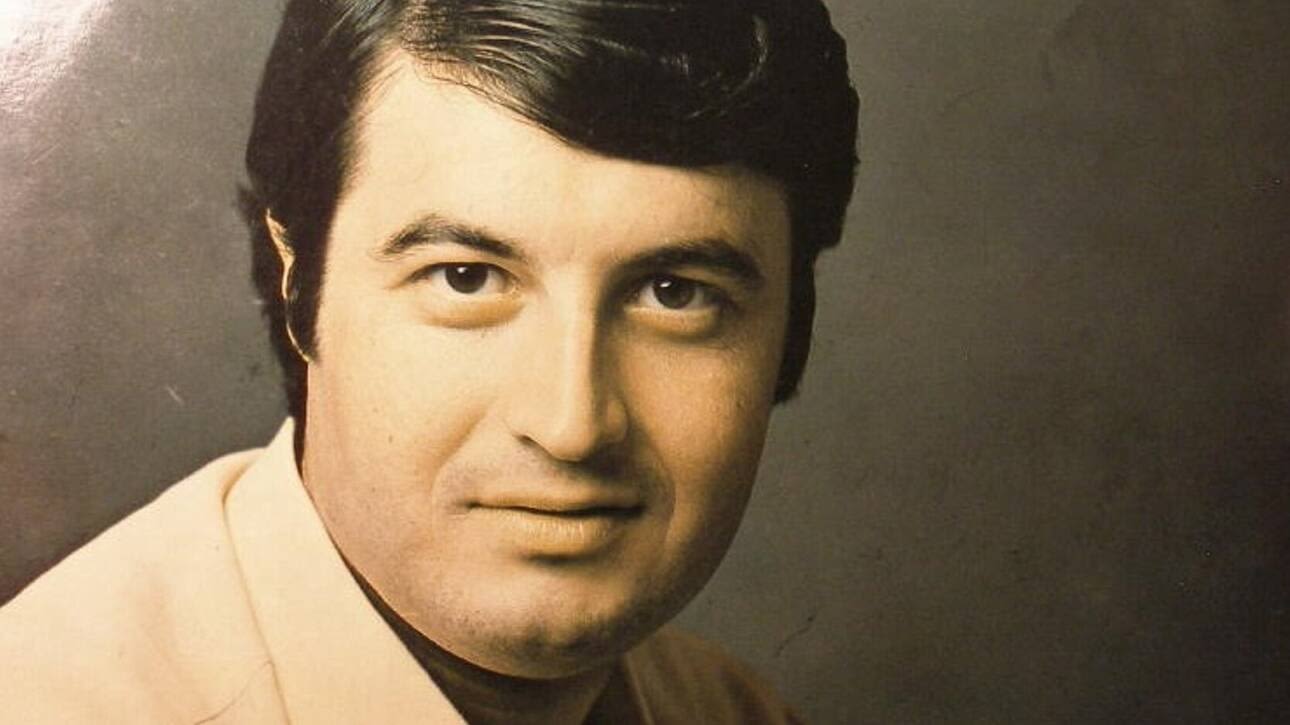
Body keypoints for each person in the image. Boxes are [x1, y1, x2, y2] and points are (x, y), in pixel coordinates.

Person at [0, 0, 858, 722]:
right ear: (299, 286)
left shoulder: (730, 710)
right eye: (465, 277)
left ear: (793, 325)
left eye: (675, 293)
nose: (572, 425)